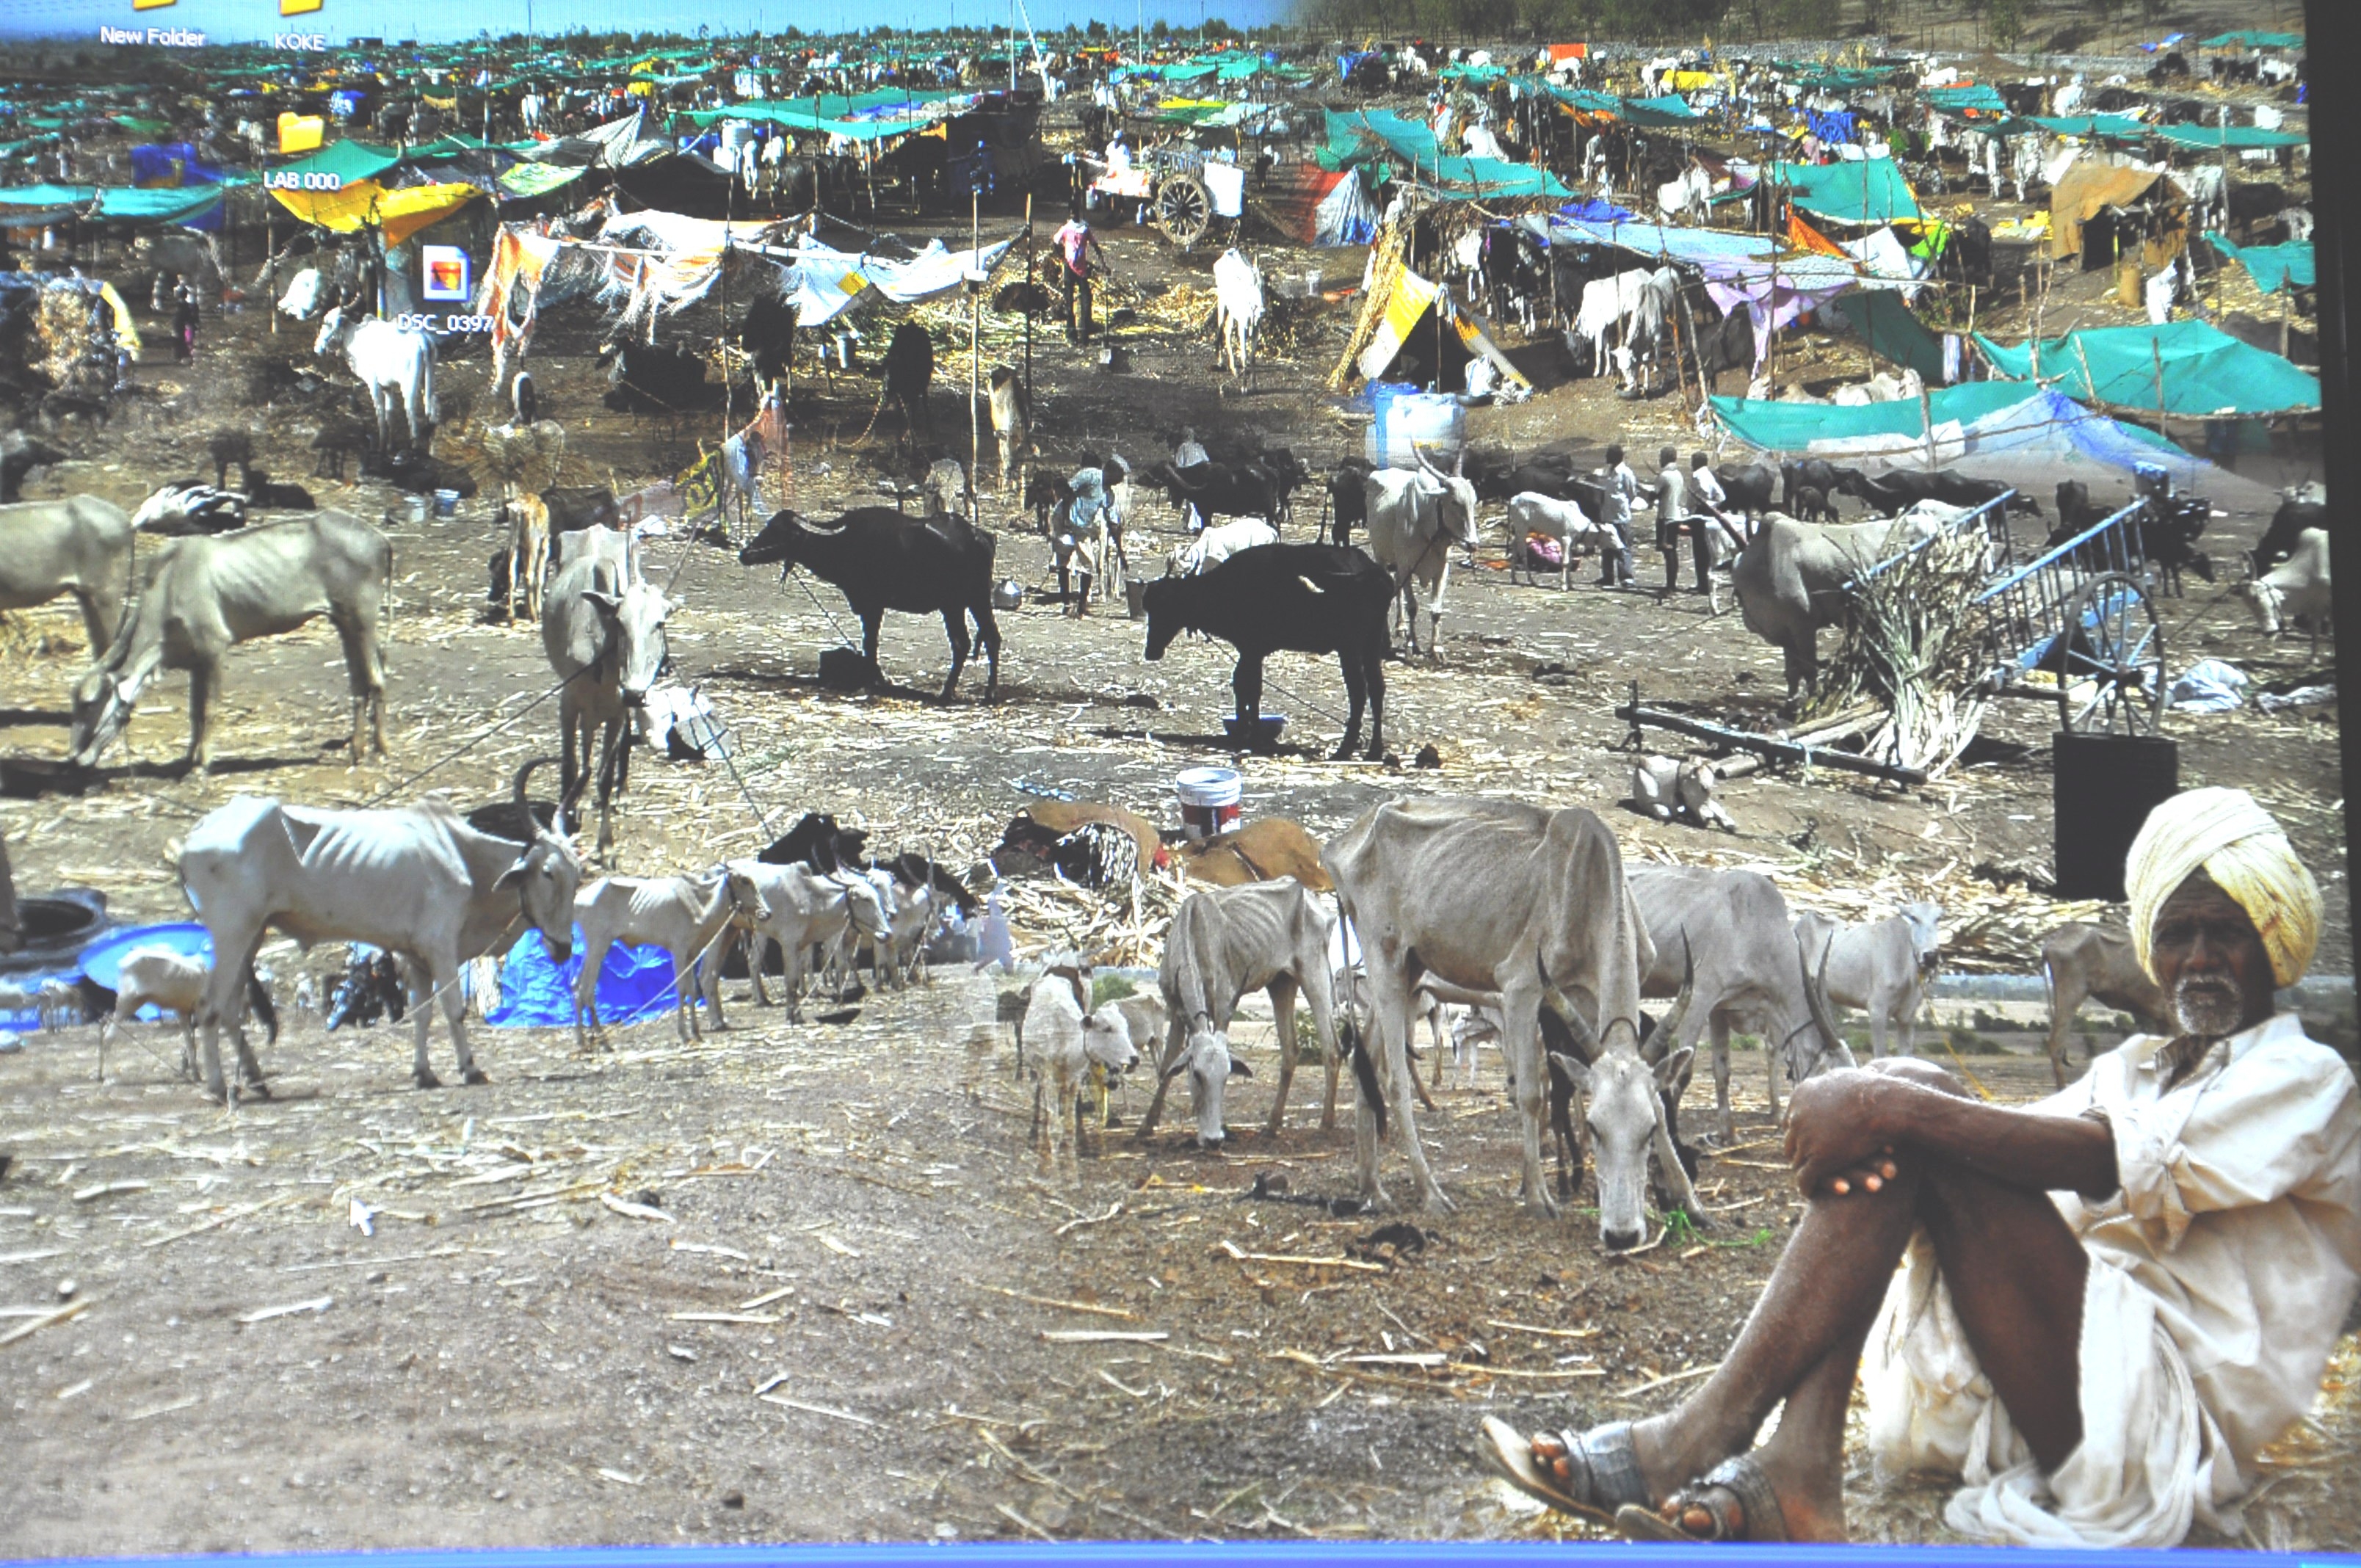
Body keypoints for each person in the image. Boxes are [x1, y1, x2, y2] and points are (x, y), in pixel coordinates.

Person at [1479, 786, 2360, 1548]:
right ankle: (1797, 1468)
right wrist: (1885, 1101)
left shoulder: (2303, 1078)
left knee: (1910, 1105)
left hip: (2155, 1430)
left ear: (2276, 939)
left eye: (2225, 934)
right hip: (2067, 1379)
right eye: (2177, 935)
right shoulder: (2139, 1066)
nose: (2198, 959)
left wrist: (1884, 1106)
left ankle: (1700, 1439)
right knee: (1912, 1100)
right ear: (2150, 949)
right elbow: (2001, 1134)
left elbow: (2098, 1161)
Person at [1052, 209, 1108, 344]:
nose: (1073, 216)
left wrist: (1103, 264)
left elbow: (1095, 246)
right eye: (1072, 214)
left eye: (1075, 213)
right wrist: (1062, 258)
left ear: (1079, 214)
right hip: (1070, 269)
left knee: (1086, 299)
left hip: (1081, 270)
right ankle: (1071, 334)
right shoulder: (1066, 228)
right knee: (1069, 301)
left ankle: (1084, 332)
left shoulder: (1085, 229)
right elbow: (1055, 242)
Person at [1595, 443, 1640, 587]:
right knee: (1607, 548)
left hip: (1620, 517)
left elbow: (1632, 493)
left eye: (1608, 455)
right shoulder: (1608, 472)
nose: (1606, 457)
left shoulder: (1626, 473)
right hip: (1607, 516)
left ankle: (1626, 577)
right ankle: (1607, 577)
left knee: (1622, 547)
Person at [171, 273, 199, 364]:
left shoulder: (176, 305)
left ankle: (177, 356)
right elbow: (190, 317)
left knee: (177, 341)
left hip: (176, 325)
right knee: (183, 341)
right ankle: (181, 356)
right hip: (182, 325)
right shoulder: (186, 306)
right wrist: (194, 323)